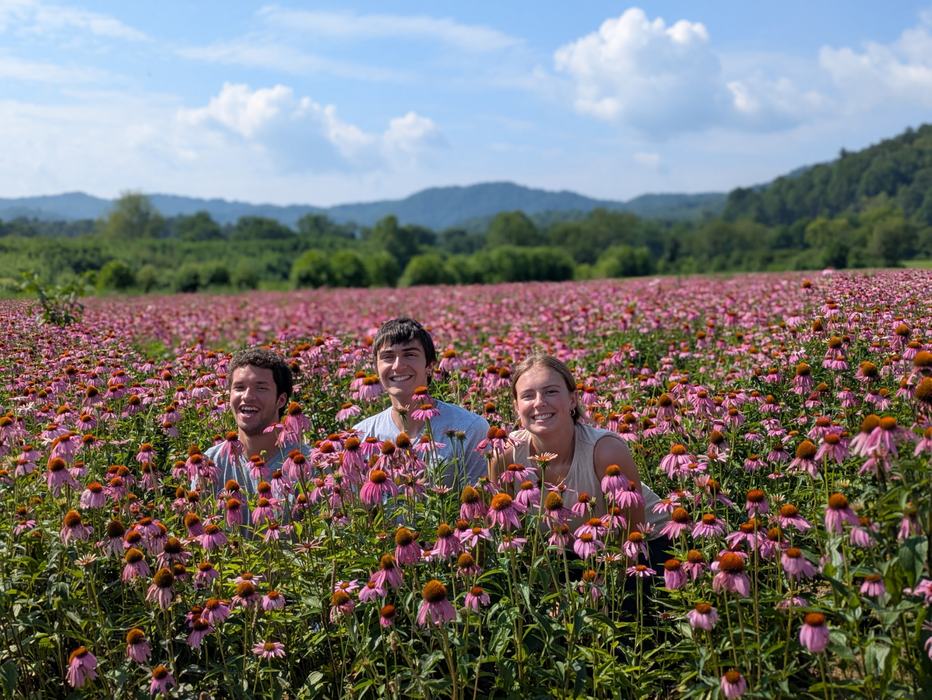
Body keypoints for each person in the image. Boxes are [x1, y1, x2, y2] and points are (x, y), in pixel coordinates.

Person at [495, 353, 670, 565]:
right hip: (569, 561)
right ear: (516, 406)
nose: (539, 403)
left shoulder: (606, 451)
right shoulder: (505, 455)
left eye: (551, 392)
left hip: (647, 549)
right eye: (528, 396)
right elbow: (509, 537)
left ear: (572, 399)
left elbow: (632, 537)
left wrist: (601, 591)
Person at [353, 318, 489, 487]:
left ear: (430, 365)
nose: (398, 366)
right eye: (388, 357)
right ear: (376, 368)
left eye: (409, 355)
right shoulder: (361, 436)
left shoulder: (470, 428)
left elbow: (479, 505)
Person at [200, 347, 309, 496]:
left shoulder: (307, 464)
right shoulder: (209, 463)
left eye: (261, 388)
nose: (247, 396)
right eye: (239, 387)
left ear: (281, 400)